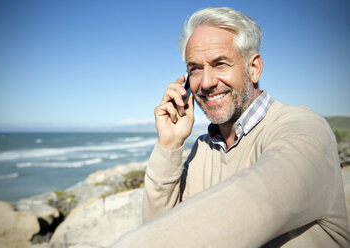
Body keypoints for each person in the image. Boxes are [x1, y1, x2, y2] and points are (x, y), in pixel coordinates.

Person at [111, 7, 350, 247]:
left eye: (220, 64)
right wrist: (170, 144)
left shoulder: (304, 129)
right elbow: (159, 225)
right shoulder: (203, 149)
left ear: (253, 68)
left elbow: (257, 200)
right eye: (195, 69)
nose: (206, 83)